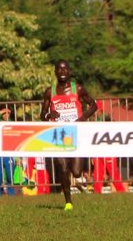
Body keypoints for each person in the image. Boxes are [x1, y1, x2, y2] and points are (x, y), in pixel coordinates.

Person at [40, 59, 98, 210]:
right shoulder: (49, 92)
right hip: (59, 134)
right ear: (55, 72)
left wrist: (83, 117)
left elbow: (94, 105)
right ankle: (68, 202)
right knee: (62, 167)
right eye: (59, 69)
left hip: (76, 133)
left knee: (77, 172)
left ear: (70, 71)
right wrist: (49, 115)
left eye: (65, 69)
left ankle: (77, 181)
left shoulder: (78, 89)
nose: (62, 72)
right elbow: (43, 114)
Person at [0, 107, 15, 196]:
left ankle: (11, 193)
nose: (6, 115)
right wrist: (0, 112)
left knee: (10, 175)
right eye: (4, 114)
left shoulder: (11, 123)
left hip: (8, 153)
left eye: (8, 113)